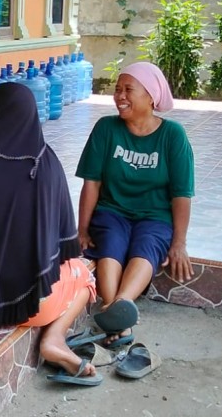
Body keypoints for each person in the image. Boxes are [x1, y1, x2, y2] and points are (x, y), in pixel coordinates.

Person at [0, 82, 102, 385]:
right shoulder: (47, 162)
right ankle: (54, 339)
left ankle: (46, 335)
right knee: (83, 275)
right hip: (36, 307)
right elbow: (65, 243)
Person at [76, 61, 195, 345]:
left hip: (155, 216)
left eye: (128, 90)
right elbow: (91, 183)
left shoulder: (173, 136)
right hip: (112, 211)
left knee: (147, 246)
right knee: (111, 243)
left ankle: (117, 307)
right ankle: (118, 314)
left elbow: (182, 194)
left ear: (151, 96)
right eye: (117, 90)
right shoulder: (106, 129)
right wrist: (81, 230)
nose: (120, 96)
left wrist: (179, 243)